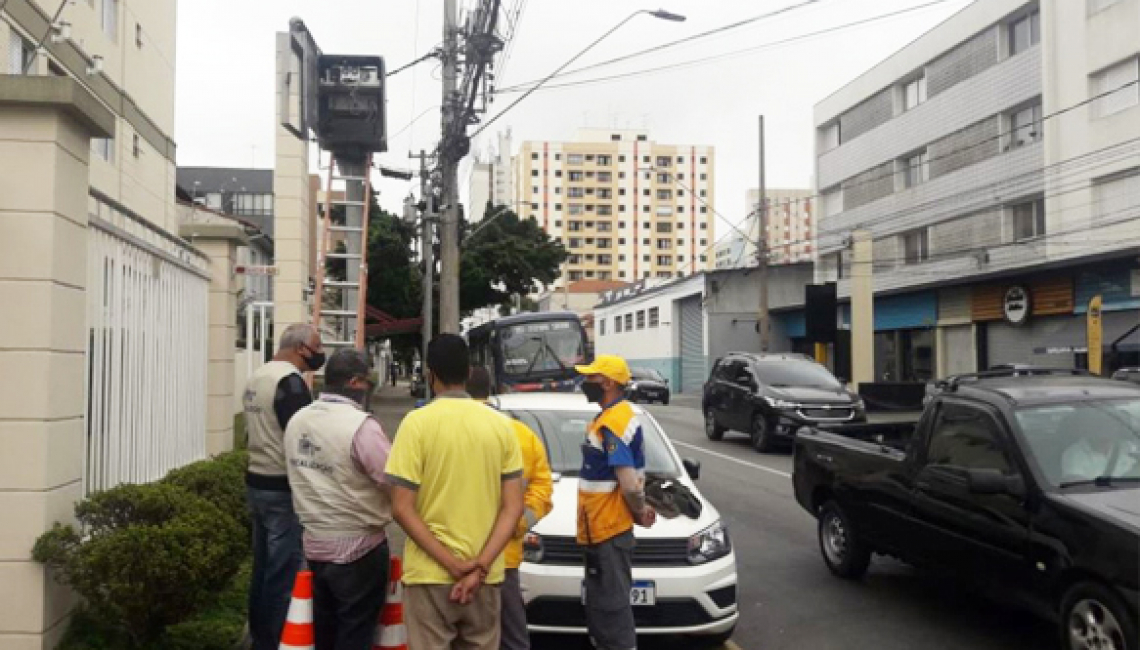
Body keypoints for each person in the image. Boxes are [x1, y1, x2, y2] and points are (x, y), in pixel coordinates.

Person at [385, 334, 524, 650]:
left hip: (429, 576)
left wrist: (451, 564)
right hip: (485, 578)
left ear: (430, 374)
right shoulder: (502, 426)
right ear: (469, 372)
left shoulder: (416, 424)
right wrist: (479, 566)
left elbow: (401, 508)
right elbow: (513, 508)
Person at [284, 348, 392, 650]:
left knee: (324, 632)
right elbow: (392, 478)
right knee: (355, 633)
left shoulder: (297, 421)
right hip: (359, 550)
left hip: (315, 545)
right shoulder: (361, 427)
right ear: (356, 382)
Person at [243, 323, 324, 650]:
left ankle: (259, 635)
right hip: (282, 488)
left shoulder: (257, 376)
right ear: (301, 347)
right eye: (316, 346)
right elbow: (300, 437)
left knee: (262, 569)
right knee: (283, 572)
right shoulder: (290, 384)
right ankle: (276, 640)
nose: (319, 353)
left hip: (256, 481)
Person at [465, 367, 553, 650]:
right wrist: (518, 523)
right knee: (511, 639)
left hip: (447, 555)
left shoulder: (436, 427)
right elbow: (543, 489)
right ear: (492, 390)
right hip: (502, 558)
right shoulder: (520, 434)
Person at [573, 354, 657, 650]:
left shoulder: (615, 421)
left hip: (608, 531)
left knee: (612, 609)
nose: (585, 383)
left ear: (608, 383)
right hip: (601, 529)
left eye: (591, 378)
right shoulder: (612, 417)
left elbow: (630, 483)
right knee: (603, 608)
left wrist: (640, 509)